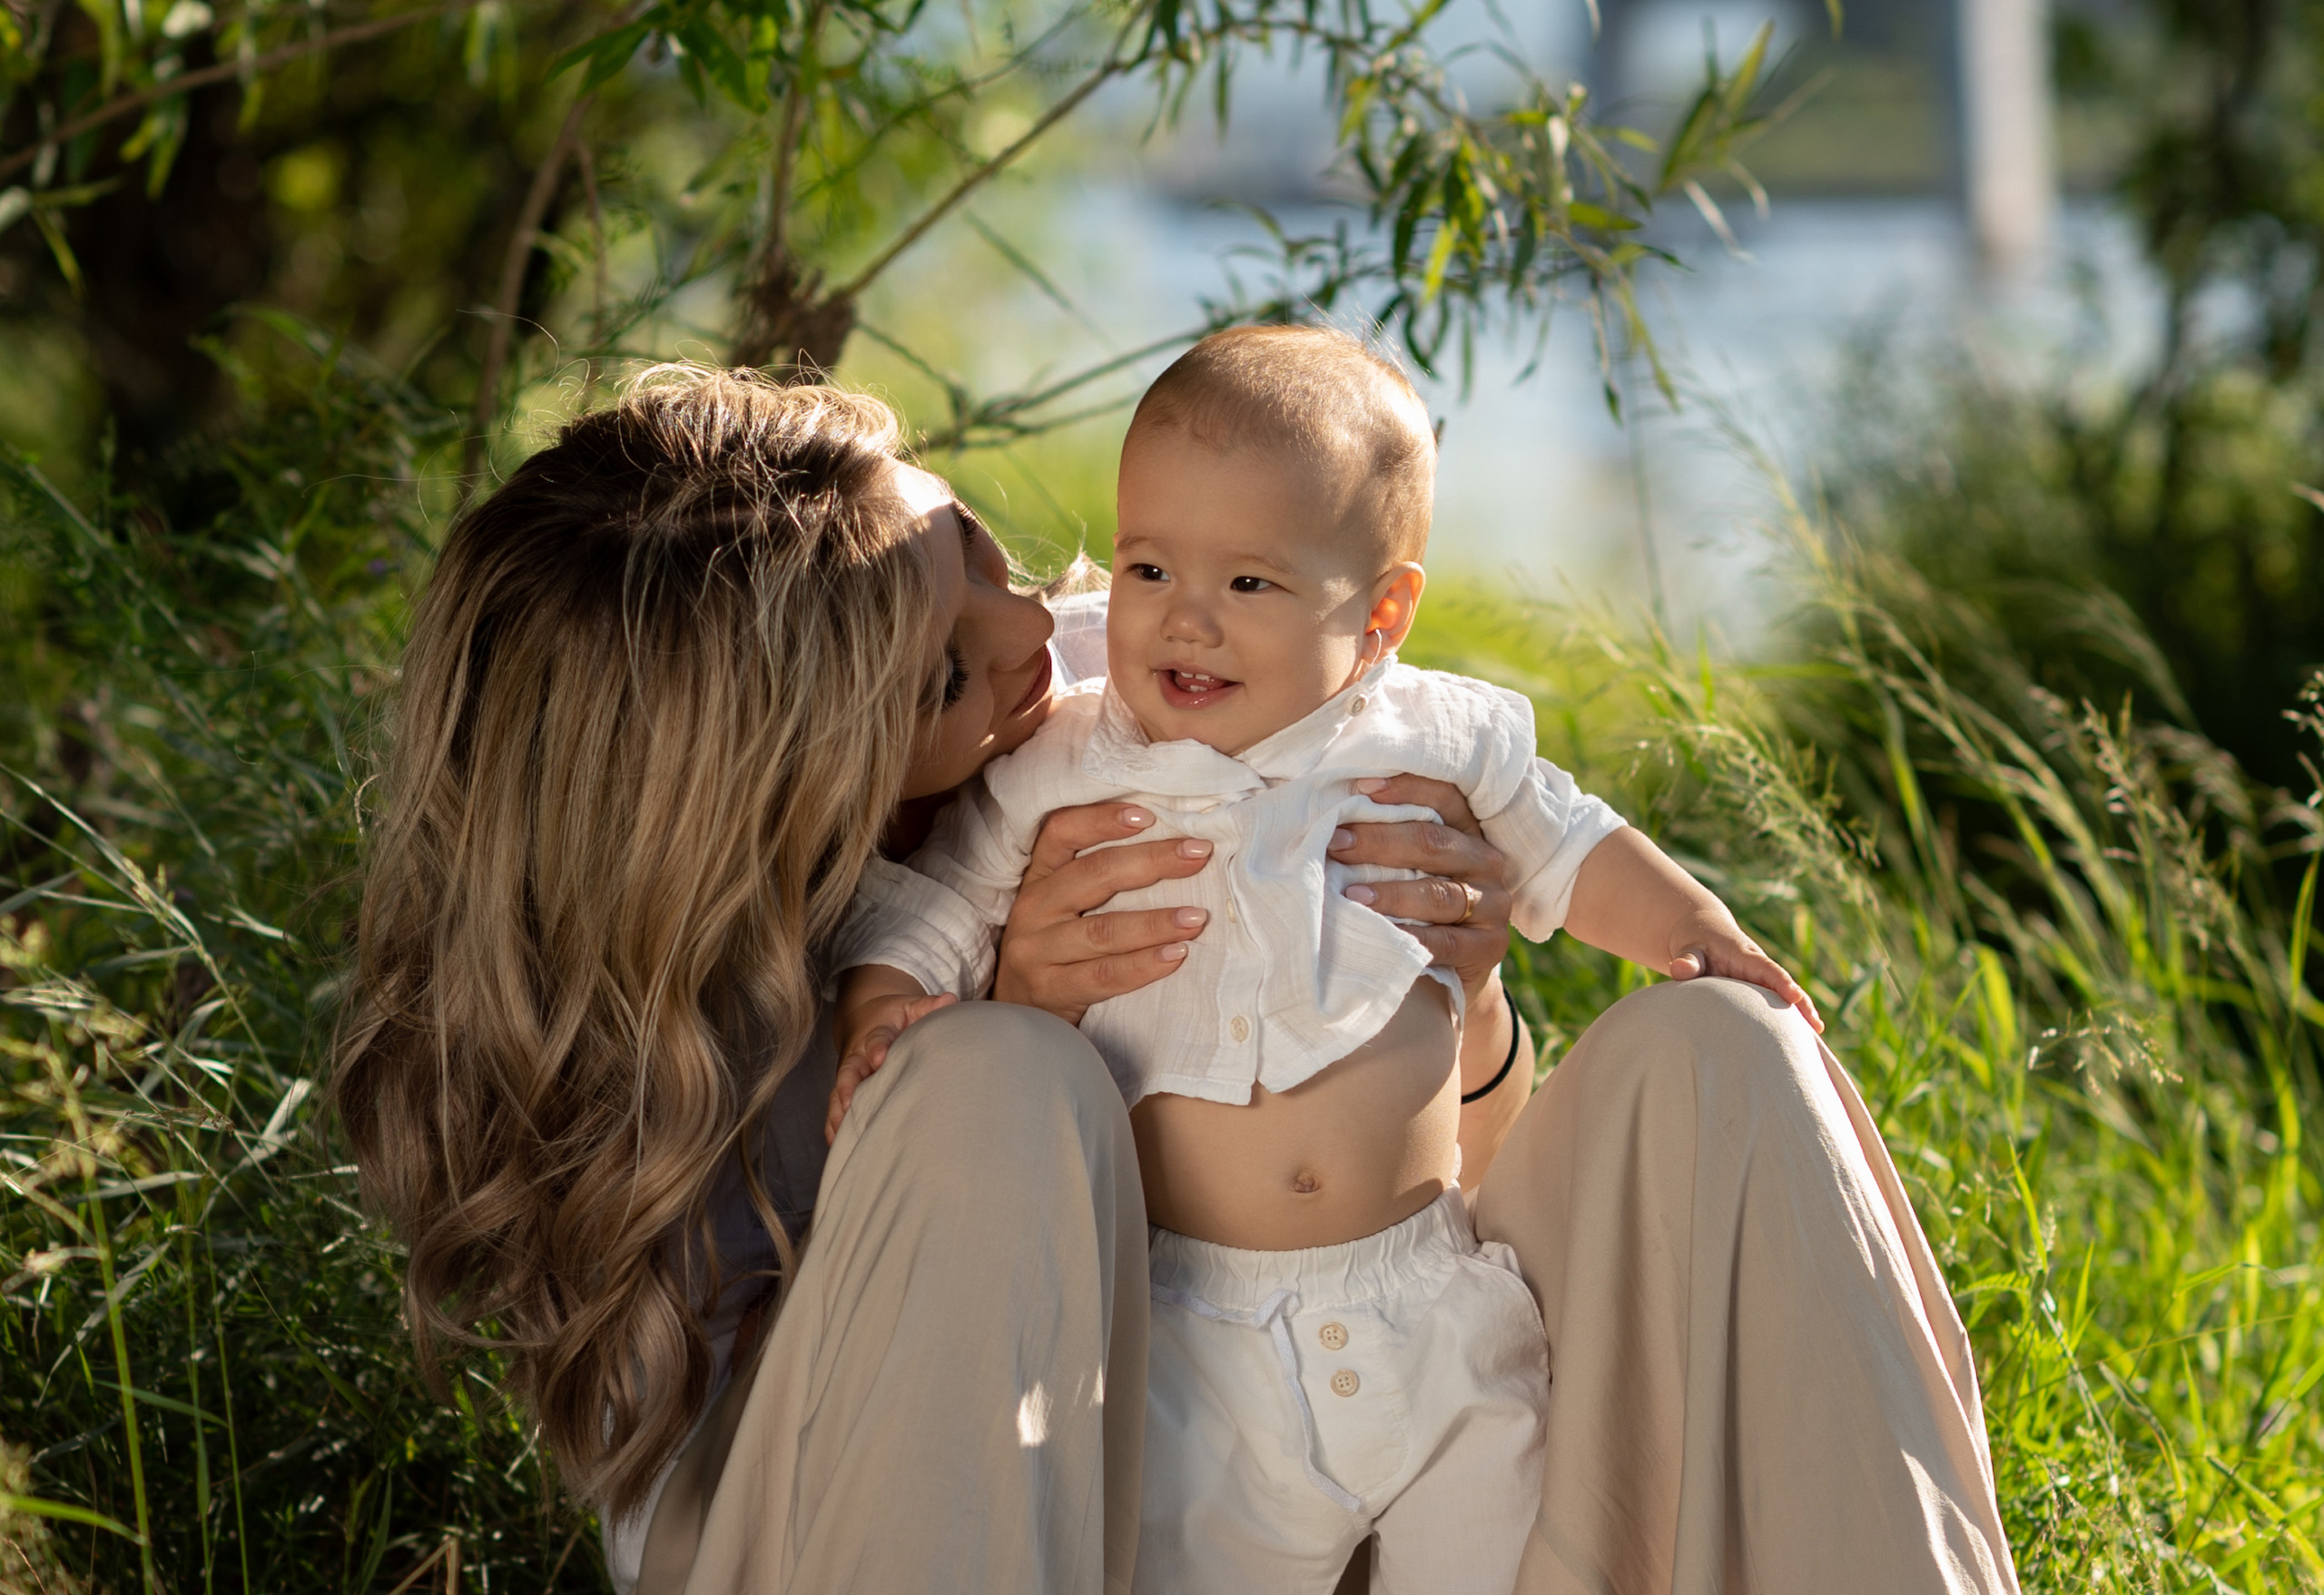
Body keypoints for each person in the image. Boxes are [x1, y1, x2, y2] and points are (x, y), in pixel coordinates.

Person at [330, 363, 2019, 1595]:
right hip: (996, 1524)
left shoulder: (1131, 682)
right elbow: (780, 1477)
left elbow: (1422, 1179)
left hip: (1386, 1410)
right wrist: (992, 1021)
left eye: (975, 548)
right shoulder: (677, 1020)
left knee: (1720, 1054)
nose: (1036, 633)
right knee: (994, 1087)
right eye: (944, 669)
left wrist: (1465, 988)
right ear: (797, 780)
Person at [823, 326, 1832, 1595]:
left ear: (1383, 613)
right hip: (1187, 1327)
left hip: (1428, 1303)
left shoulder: (1433, 736)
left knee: (1508, 1558)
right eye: (1147, 564)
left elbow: (1576, 846)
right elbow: (935, 912)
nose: (1184, 617)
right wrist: (887, 1011)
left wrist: (1696, 929)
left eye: (1250, 584)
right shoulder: (1066, 759)